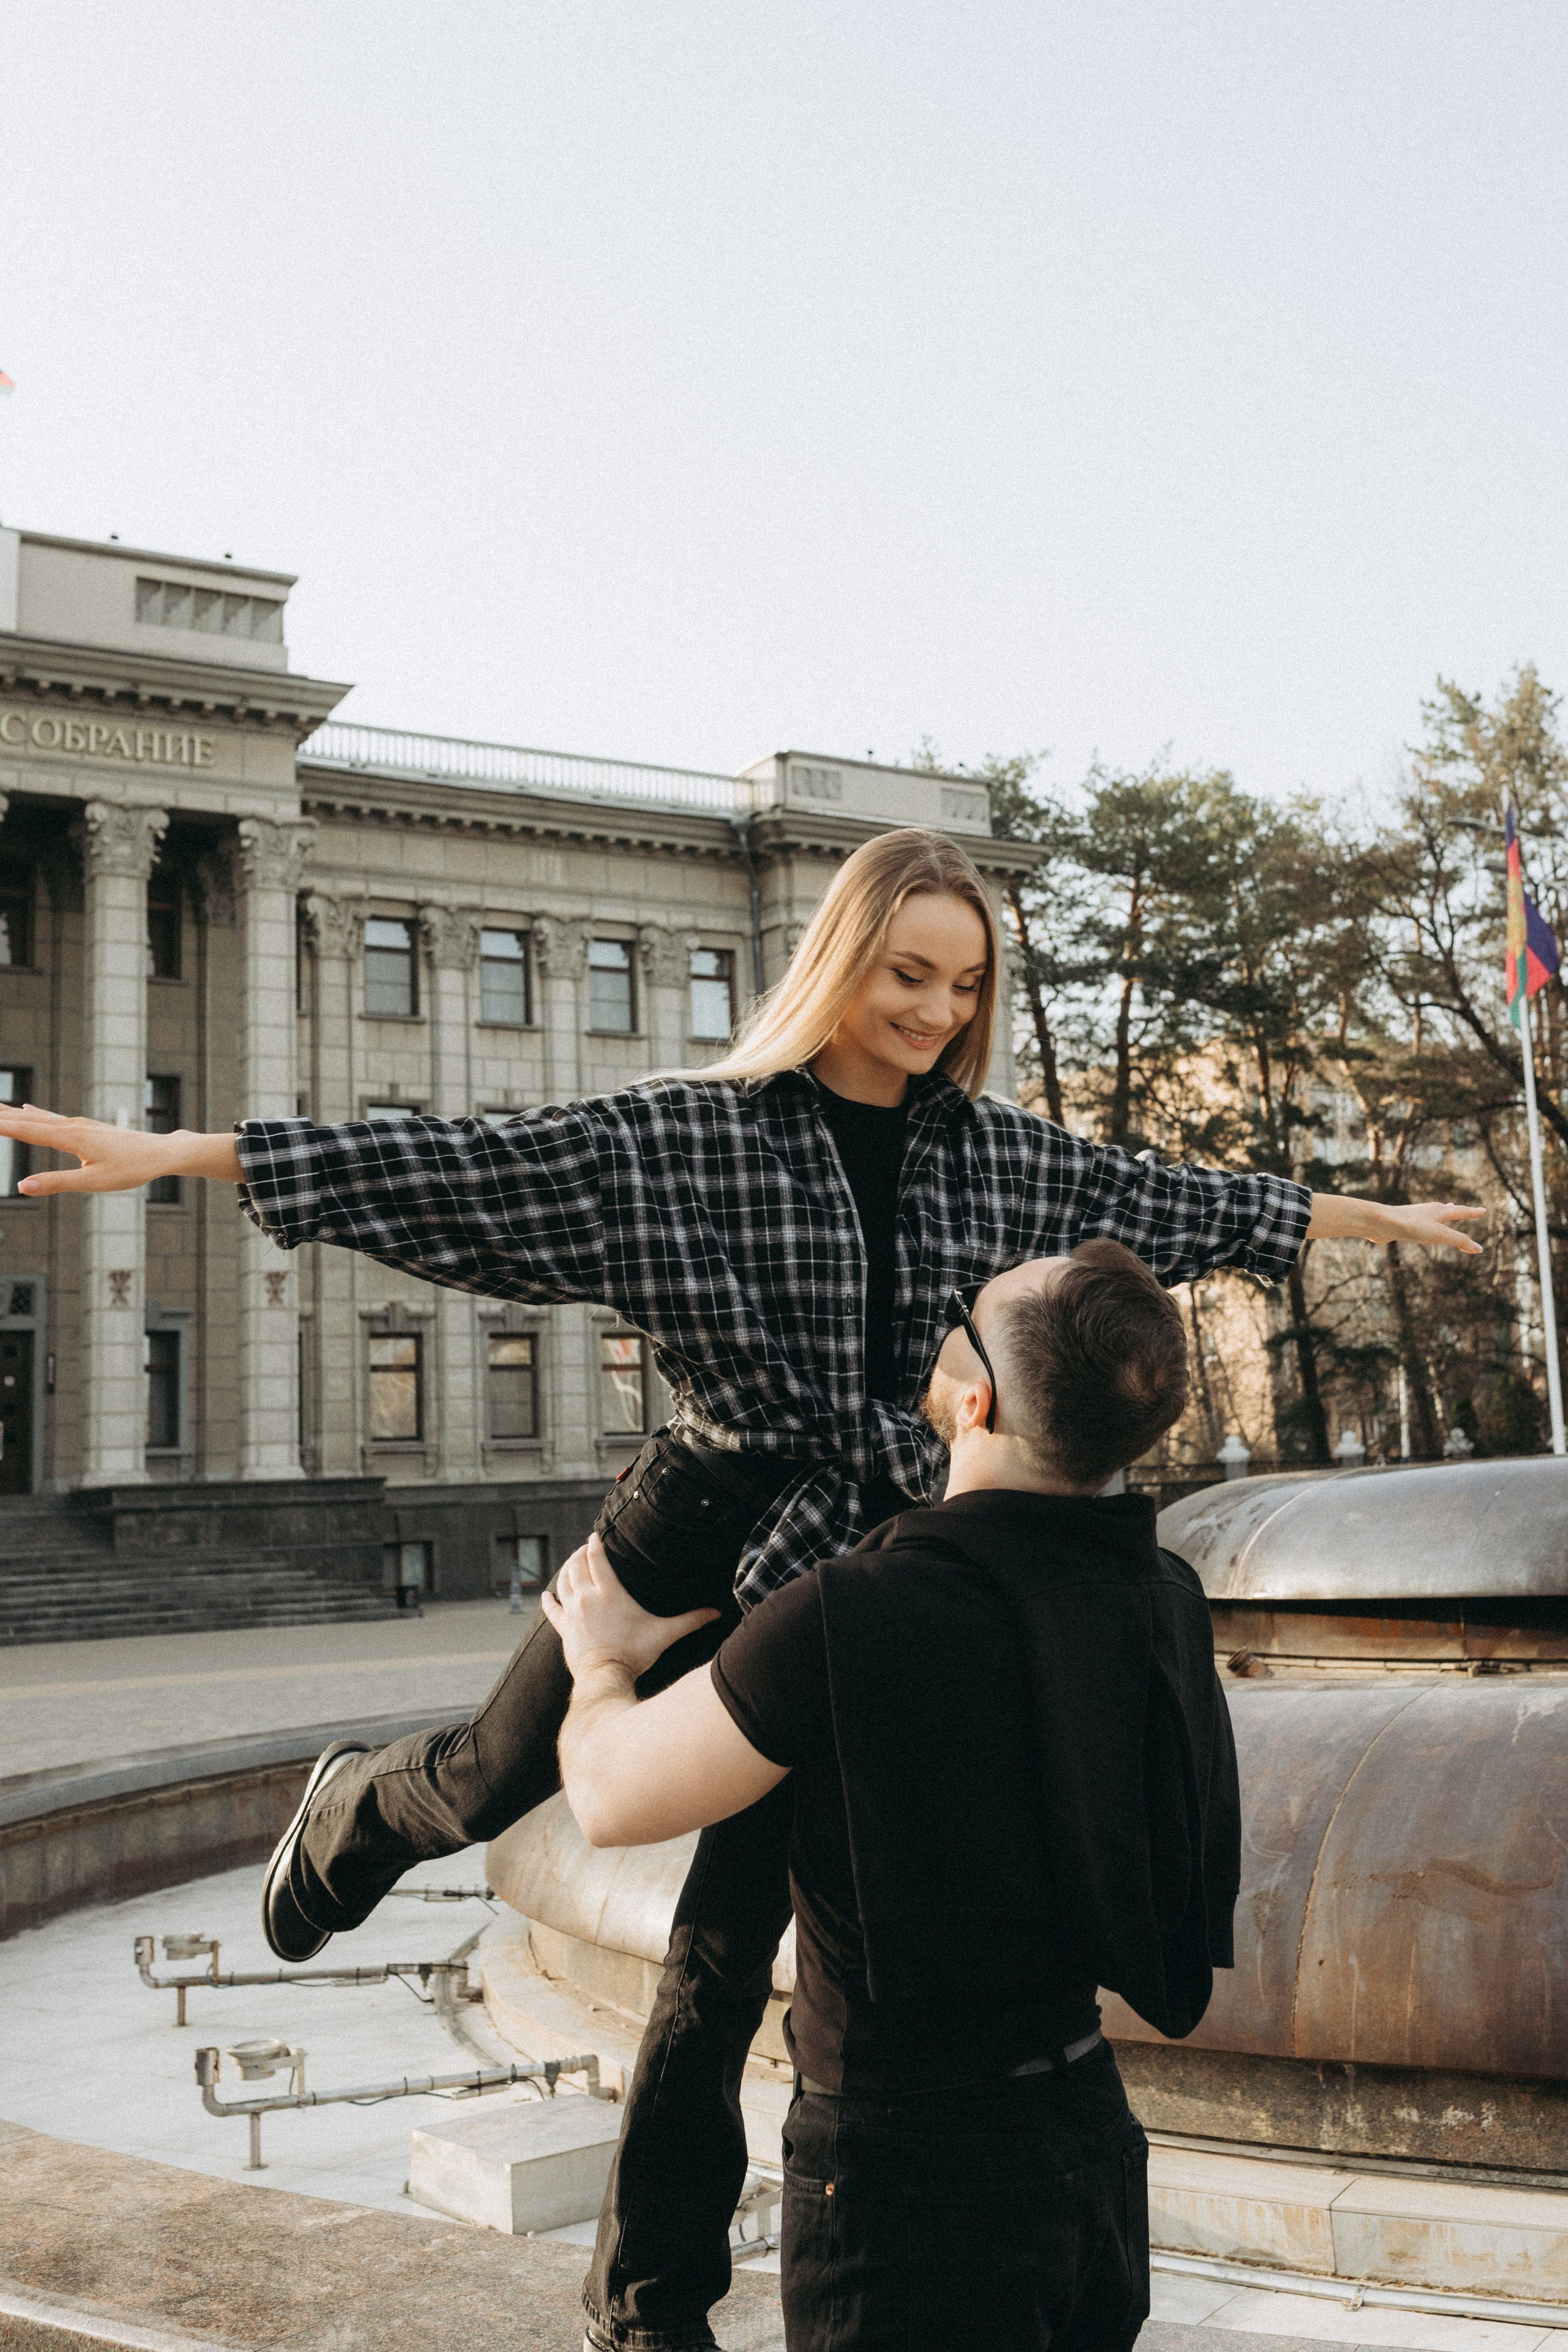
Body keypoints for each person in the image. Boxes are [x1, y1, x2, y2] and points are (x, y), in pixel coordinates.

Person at [0, 826, 1482, 2351]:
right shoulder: (689, 1138)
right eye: (905, 974)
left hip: (853, 1566)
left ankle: (647, 2303)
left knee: (720, 1945)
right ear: (840, 959)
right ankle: (354, 1816)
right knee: (494, 1778)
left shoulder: (1001, 1153)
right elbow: (465, 1169)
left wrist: (1368, 1218)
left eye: (961, 986)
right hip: (700, 1516)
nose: (930, 1012)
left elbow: (1175, 1203)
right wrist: (189, 1156)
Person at [543, 1239, 1231, 2352]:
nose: (944, 1320)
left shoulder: (851, 1611)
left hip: (909, 2187)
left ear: (974, 1402)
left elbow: (610, 1798)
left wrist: (598, 1665)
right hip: (1089, 2143)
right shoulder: (1165, 1592)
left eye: (963, 1314)